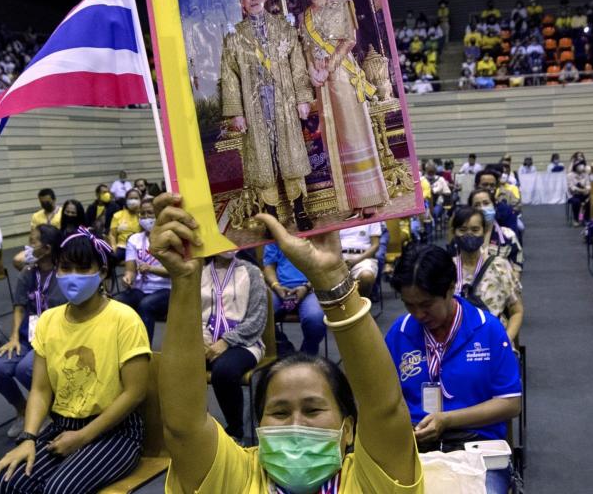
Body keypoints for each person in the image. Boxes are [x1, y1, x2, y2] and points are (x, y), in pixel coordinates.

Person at [150, 192, 424, 493]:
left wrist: (332, 277)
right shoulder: (236, 479)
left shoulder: (368, 483)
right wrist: (186, 280)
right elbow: (182, 427)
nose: (297, 426)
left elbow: (384, 408)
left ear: (347, 431)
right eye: (279, 413)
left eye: (313, 410)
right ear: (260, 428)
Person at [0, 227, 151, 493]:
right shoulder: (49, 320)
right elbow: (40, 390)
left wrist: (84, 437)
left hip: (116, 432)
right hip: (63, 426)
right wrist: (29, 437)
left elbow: (135, 393)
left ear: (103, 272)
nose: (72, 276)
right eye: (65, 268)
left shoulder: (124, 319)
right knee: (5, 483)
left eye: (83, 268)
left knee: (57, 491)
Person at [386, 245, 521, 494]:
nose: (418, 314)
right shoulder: (400, 332)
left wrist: (447, 420)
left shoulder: (487, 329)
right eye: (409, 305)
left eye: (426, 305)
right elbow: (383, 399)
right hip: (414, 446)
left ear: (450, 289)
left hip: (475, 445)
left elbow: (510, 404)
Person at [221, 0, 315, 232]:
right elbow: (229, 76)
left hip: (283, 103)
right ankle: (271, 218)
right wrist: (236, 112)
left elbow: (297, 65)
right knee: (263, 161)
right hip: (254, 110)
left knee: (291, 156)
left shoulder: (284, 28)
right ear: (242, 2)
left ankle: (300, 210)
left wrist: (303, 98)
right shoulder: (234, 37)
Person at [298, 0, 389, 220]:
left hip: (343, 76)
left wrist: (328, 67)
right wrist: (312, 71)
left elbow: (349, 40)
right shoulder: (304, 17)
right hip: (321, 81)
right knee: (335, 138)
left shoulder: (342, 4)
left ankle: (369, 199)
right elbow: (306, 49)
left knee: (353, 131)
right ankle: (351, 201)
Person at [0, 225, 66, 439]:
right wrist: (13, 337)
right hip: (27, 336)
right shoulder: (28, 273)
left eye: (33, 242)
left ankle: (46, 412)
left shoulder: (64, 274)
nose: (28, 247)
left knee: (25, 369)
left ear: (47, 249)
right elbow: (19, 306)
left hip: (54, 339)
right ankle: (22, 410)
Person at [200, 252, 268, 441]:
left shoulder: (252, 272)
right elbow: (193, 314)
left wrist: (226, 341)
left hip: (246, 343)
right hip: (206, 342)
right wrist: (202, 341)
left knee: (224, 371)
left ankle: (235, 430)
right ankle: (198, 426)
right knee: (181, 365)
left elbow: (257, 318)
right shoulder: (200, 274)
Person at [448, 208, 523, 342]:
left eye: (475, 230)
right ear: (454, 233)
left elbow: (517, 311)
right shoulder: (445, 268)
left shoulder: (500, 266)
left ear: (484, 232)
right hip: (456, 342)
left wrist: (505, 342)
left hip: (494, 341)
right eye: (463, 230)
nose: (469, 234)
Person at [118, 199, 170, 342]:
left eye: (150, 213)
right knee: (117, 302)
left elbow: (175, 271)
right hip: (140, 289)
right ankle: (121, 345)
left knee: (146, 305)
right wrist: (127, 278)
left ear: (159, 215)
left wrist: (151, 269)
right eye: (142, 214)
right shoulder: (134, 239)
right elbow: (130, 269)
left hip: (166, 289)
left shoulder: (169, 238)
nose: (146, 218)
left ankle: (144, 351)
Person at [263, 243, 326, 356]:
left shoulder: (316, 234)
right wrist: (276, 286)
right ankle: (285, 349)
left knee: (315, 319)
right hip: (280, 289)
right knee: (260, 314)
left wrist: (306, 287)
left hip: (311, 288)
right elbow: (269, 267)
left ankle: (305, 356)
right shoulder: (273, 236)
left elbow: (323, 267)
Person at [469, 188, 523, 273]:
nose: (482, 208)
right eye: (477, 205)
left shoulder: (508, 235)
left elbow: (517, 267)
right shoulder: (464, 236)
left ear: (494, 206)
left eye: (486, 203)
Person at [338, 223, 381, 299]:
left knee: (367, 276)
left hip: (363, 257)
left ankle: (360, 305)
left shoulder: (370, 215)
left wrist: (355, 261)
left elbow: (375, 245)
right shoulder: (335, 218)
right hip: (339, 257)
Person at [108, 189, 142, 260]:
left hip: (140, 247)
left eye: (136, 198)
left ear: (140, 200)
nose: (133, 201)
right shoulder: (118, 215)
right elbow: (112, 234)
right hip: (122, 247)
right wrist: (114, 248)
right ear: (126, 200)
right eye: (130, 198)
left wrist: (139, 213)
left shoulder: (144, 215)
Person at [567, 160, 591, 225]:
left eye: (582, 164)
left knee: (589, 201)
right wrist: (582, 190)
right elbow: (572, 187)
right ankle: (576, 219)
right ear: (575, 166)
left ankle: (584, 218)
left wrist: (586, 189)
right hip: (574, 195)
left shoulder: (585, 175)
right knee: (576, 202)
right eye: (580, 165)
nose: (582, 166)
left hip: (584, 194)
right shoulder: (570, 175)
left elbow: (588, 185)